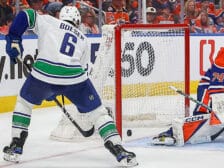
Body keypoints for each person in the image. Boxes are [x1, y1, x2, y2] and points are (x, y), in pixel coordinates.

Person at [2, 6, 138, 166]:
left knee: (24, 103)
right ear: (78, 21)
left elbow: (27, 14)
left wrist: (14, 37)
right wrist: (61, 86)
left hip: (43, 74)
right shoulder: (83, 38)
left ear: (60, 16)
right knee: (98, 113)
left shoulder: (49, 21)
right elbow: (82, 69)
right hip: (74, 78)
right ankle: (119, 149)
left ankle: (16, 146)